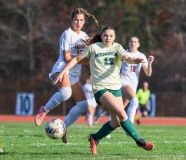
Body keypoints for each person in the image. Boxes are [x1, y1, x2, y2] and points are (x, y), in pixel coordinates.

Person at [53, 25, 155, 155]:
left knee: (116, 122)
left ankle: (94, 138)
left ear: (114, 37)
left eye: (111, 36)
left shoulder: (117, 47)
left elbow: (128, 59)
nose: (108, 37)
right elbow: (76, 59)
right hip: (101, 88)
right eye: (106, 35)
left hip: (115, 88)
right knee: (122, 113)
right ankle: (140, 141)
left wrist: (135, 60)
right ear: (101, 36)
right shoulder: (94, 48)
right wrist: (62, 72)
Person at [34, 8, 99, 144]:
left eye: (81, 20)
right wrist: (86, 61)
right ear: (71, 20)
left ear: (84, 21)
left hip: (74, 74)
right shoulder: (67, 34)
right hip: (62, 69)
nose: (78, 22)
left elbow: (87, 56)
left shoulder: (85, 36)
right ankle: (44, 110)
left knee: (83, 105)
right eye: (76, 20)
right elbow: (67, 56)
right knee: (66, 93)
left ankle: (63, 127)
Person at [120, 37, 154, 125]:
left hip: (133, 85)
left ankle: (107, 129)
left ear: (138, 45)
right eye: (131, 41)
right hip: (123, 82)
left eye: (135, 42)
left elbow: (148, 73)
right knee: (135, 101)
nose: (133, 43)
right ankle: (130, 127)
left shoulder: (141, 56)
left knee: (120, 108)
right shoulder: (124, 53)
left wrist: (150, 63)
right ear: (128, 43)